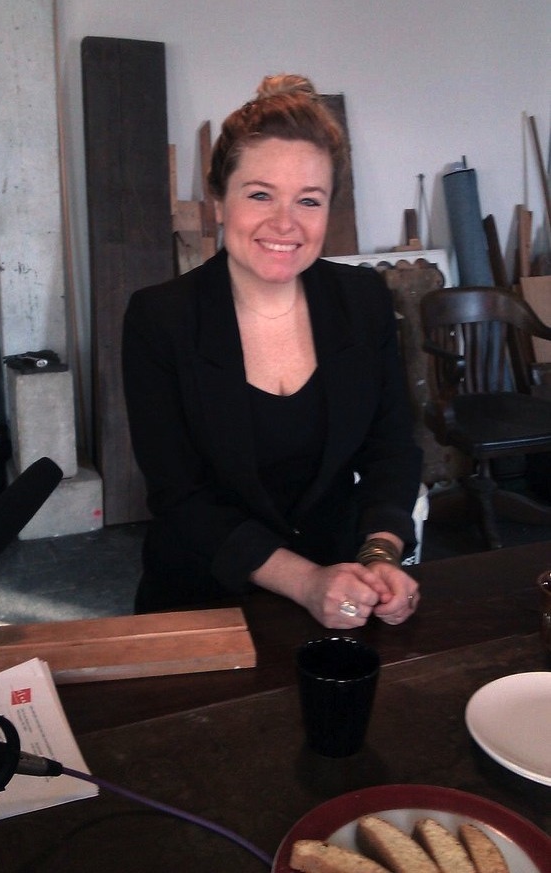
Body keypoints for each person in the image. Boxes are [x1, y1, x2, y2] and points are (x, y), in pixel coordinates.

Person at [122, 73, 422, 628]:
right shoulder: (161, 318)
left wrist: (379, 556)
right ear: (219, 201)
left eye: (309, 200)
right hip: (205, 597)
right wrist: (304, 581)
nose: (285, 223)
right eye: (260, 194)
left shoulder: (362, 300)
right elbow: (179, 494)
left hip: (343, 588)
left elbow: (392, 450)